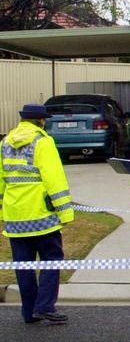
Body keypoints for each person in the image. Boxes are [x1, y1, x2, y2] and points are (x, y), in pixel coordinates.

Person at [0, 104, 74, 324]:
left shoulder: (5, 143)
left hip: (15, 216)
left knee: (24, 265)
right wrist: (65, 212)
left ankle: (29, 311)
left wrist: (3, 209)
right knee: (52, 259)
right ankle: (45, 306)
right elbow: (54, 179)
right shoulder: (43, 142)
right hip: (41, 216)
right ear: (41, 121)